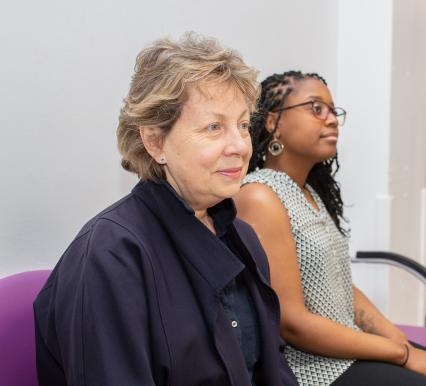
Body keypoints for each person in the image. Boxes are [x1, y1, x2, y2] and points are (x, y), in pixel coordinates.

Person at [33, 34, 297, 386]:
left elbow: (272, 371)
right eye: (214, 127)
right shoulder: (110, 255)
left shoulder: (242, 237)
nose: (238, 145)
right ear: (155, 141)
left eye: (243, 125)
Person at [234, 71, 426, 386]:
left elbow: (342, 288)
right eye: (316, 108)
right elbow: (293, 324)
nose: (331, 120)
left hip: (345, 349)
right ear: (273, 122)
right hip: (309, 369)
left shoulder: (308, 193)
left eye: (333, 111)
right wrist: (402, 354)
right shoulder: (260, 195)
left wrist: (397, 340)